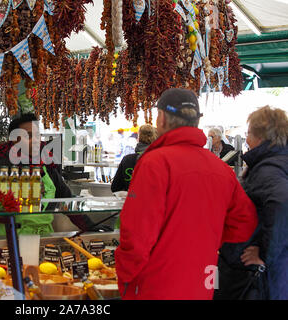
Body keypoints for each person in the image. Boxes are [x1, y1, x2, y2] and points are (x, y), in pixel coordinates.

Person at [114, 88, 258, 300]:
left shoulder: (154, 163)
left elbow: (137, 234)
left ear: (161, 118)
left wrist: (125, 278)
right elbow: (244, 222)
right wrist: (207, 240)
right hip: (202, 283)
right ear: (197, 121)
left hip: (156, 286)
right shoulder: (219, 168)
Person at [215, 106, 288, 300]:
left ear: (261, 136)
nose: (246, 140)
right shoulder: (278, 162)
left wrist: (265, 253)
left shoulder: (269, 170)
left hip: (258, 278)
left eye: (249, 134)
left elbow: (281, 202)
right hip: (271, 274)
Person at [0, 113, 101, 235]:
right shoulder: (2, 171)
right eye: (29, 136)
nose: (36, 140)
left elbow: (67, 200)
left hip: (43, 237)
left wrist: (90, 227)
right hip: (9, 239)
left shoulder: (47, 167)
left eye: (37, 135)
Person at [111, 124, 157, 192]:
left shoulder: (127, 159)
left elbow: (115, 187)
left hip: (131, 200)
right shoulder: (158, 160)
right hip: (152, 201)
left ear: (138, 138)